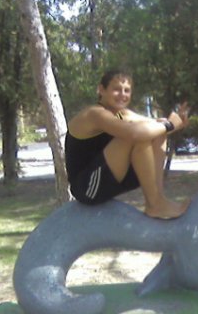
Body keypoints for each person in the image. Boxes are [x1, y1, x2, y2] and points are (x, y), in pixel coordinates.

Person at [65, 69, 189, 219]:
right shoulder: (94, 114)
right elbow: (134, 133)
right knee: (136, 135)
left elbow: (156, 126)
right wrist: (170, 125)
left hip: (113, 177)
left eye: (127, 90)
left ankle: (158, 201)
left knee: (155, 131)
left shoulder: (122, 114)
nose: (122, 94)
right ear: (101, 90)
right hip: (88, 187)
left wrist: (177, 121)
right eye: (116, 89)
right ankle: (155, 204)